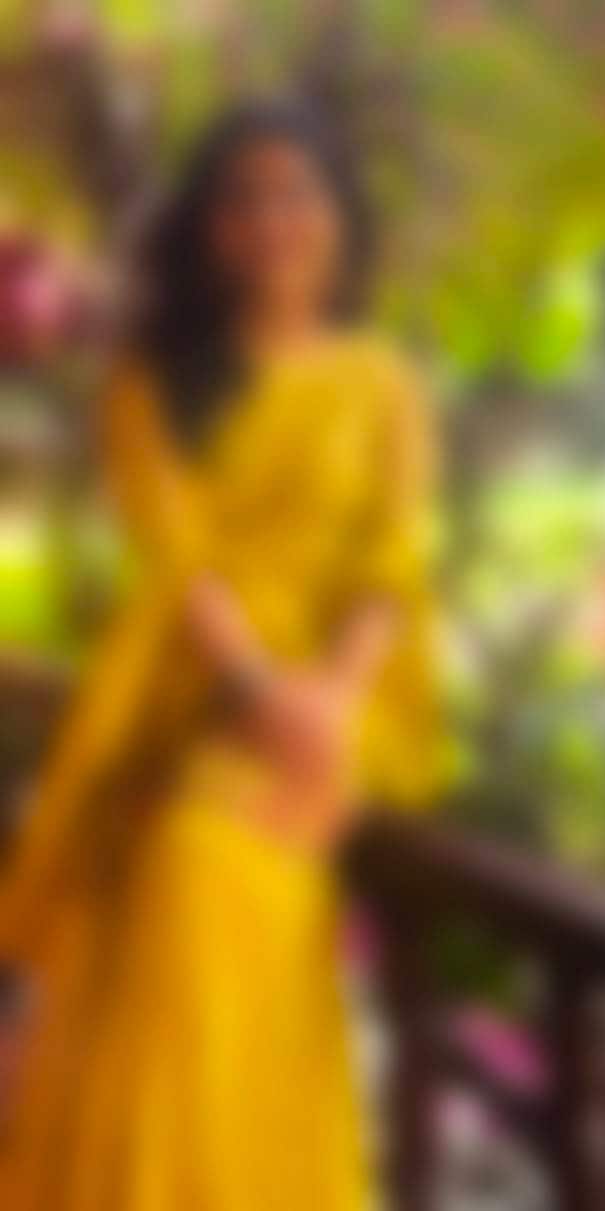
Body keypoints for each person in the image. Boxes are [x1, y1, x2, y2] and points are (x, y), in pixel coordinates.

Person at [0, 99, 441, 1210]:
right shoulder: (151, 380)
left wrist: (328, 702)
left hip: (337, 703)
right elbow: (178, 557)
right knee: (187, 862)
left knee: (213, 887)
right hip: (186, 685)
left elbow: (392, 564)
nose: (271, 218)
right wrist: (258, 692)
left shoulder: (382, 382)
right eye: (241, 197)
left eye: (296, 191)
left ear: (340, 215)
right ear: (207, 227)